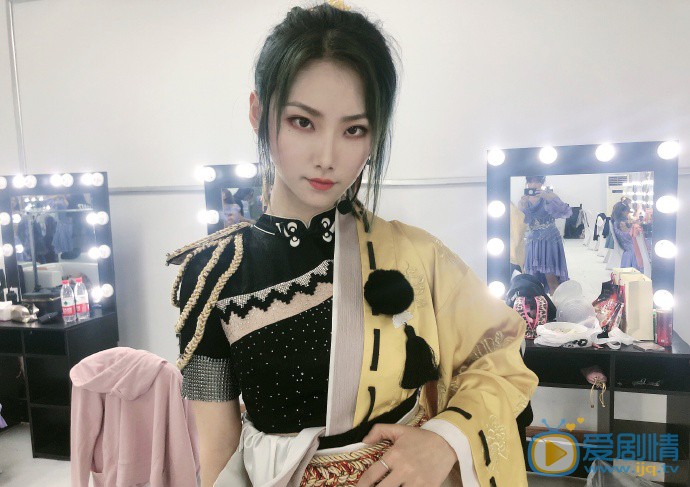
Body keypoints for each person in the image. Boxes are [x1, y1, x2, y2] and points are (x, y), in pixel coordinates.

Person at [167, 3, 537, 486]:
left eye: (353, 129)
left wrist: (447, 439)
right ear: (258, 112)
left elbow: (501, 353)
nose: (327, 157)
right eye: (303, 122)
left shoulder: (417, 255)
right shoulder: (210, 275)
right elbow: (218, 456)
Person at [518, 176, 572, 294]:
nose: (533, 185)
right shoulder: (525, 200)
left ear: (542, 183)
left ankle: (557, 303)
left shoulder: (549, 196)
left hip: (549, 240)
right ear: (527, 183)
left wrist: (548, 197)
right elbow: (524, 221)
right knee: (532, 280)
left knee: (551, 278)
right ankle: (539, 303)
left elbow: (565, 211)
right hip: (533, 241)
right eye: (530, 182)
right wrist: (523, 205)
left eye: (537, 182)